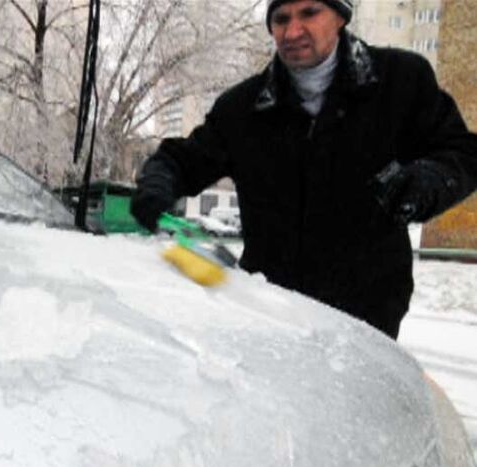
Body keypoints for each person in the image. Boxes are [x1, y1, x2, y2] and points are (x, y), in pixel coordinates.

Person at [130, 0, 477, 340]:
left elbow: (460, 153)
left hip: (365, 320)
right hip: (267, 316)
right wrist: (157, 184)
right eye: (281, 18)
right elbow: (180, 161)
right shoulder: (242, 108)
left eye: (309, 12)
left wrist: (428, 180)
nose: (293, 31)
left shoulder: (400, 82)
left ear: (341, 16)